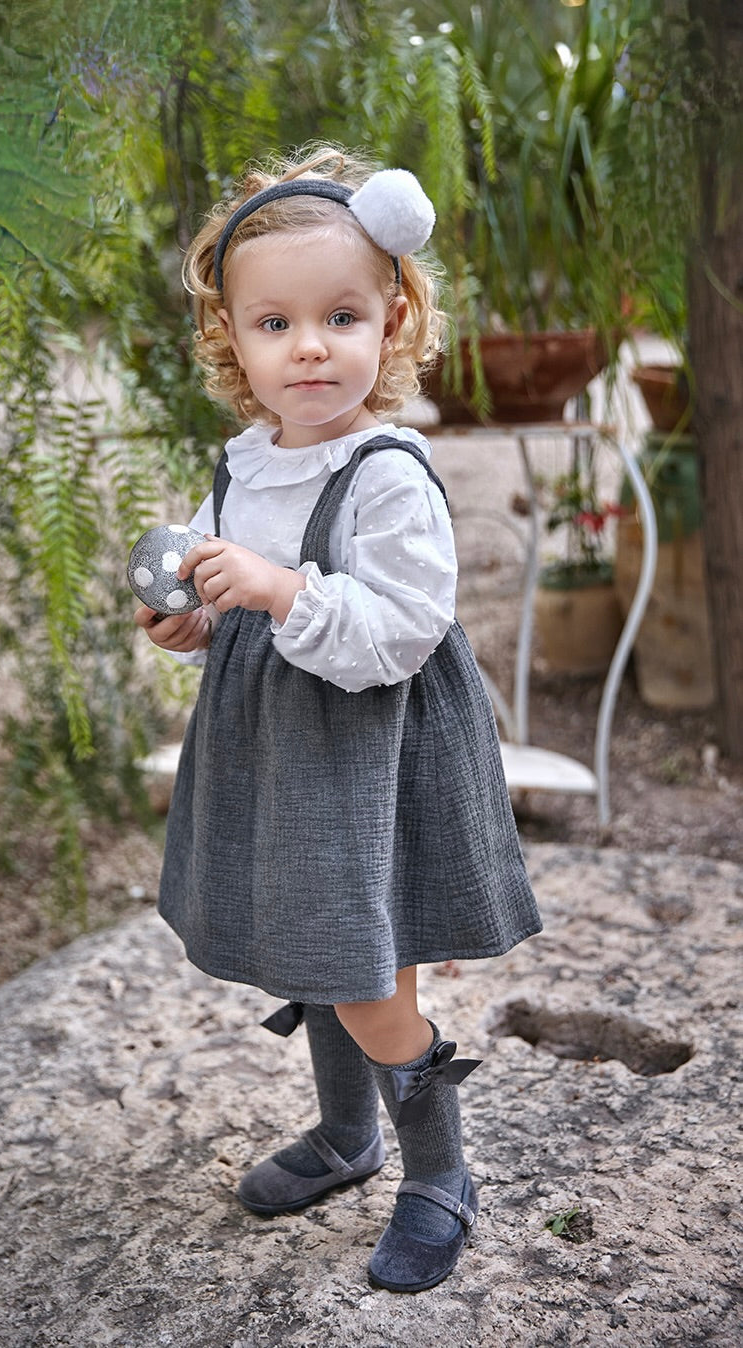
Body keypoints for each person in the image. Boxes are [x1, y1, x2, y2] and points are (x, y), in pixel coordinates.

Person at [134, 144, 541, 1294]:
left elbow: (404, 627)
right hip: (278, 755)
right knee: (305, 944)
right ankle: (346, 1134)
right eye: (274, 324)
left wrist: (276, 588)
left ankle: (436, 1173)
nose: (308, 346)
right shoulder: (239, 466)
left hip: (370, 755)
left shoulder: (386, 472)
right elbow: (237, 591)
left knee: (364, 972)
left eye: (341, 314)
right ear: (233, 342)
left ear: (391, 319)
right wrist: (202, 620)